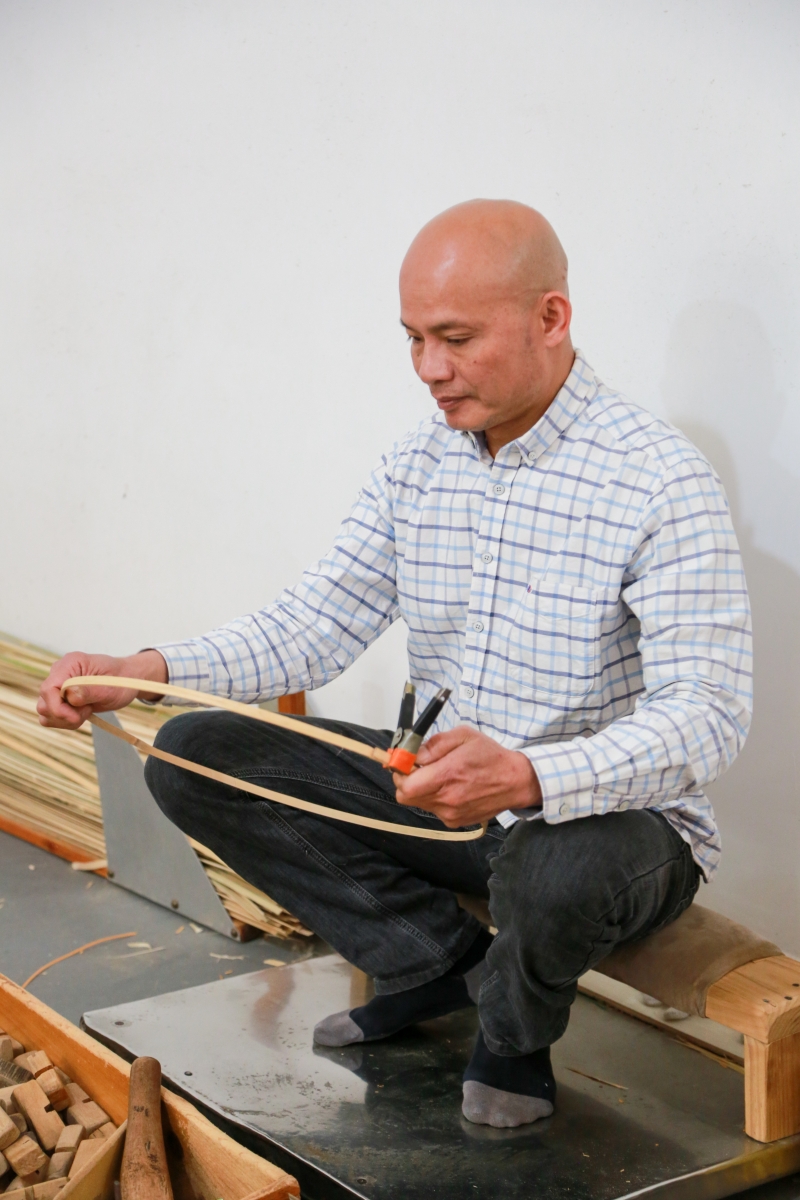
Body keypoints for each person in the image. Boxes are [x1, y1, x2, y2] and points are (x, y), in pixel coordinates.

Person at [37, 200, 752, 1129]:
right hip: (448, 801)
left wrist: (530, 774)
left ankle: (514, 1035)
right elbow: (313, 625)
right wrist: (146, 668)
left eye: (456, 338)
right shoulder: (420, 463)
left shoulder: (659, 478)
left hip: (608, 823)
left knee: (549, 866)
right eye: (413, 338)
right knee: (193, 754)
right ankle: (434, 960)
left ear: (550, 318)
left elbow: (709, 712)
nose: (429, 369)